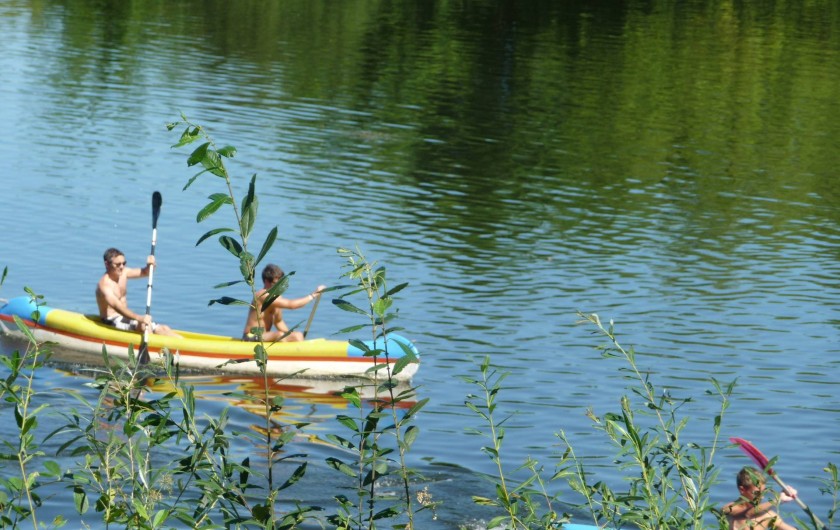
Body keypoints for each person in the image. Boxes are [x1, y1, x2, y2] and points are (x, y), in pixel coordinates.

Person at [95, 247, 178, 337]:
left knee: (163, 329)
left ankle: (183, 347)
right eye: (118, 264)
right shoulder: (104, 285)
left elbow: (145, 272)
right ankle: (152, 349)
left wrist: (150, 266)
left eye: (124, 263)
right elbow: (117, 306)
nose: (122, 267)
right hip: (112, 321)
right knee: (144, 326)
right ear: (107, 264)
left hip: (126, 318)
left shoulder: (124, 272)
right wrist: (139, 318)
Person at [242, 264, 326, 342]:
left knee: (297, 335)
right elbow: (291, 305)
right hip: (250, 337)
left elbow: (279, 322)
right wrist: (313, 295)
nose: (279, 287)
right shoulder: (262, 295)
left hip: (265, 337)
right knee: (279, 334)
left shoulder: (276, 299)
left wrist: (292, 335)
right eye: (276, 284)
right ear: (266, 281)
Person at [722, 466, 798, 530]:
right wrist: (778, 499)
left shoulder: (769, 516)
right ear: (742, 490)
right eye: (757, 493)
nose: (762, 496)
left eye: (763, 492)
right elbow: (748, 514)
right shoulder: (728, 508)